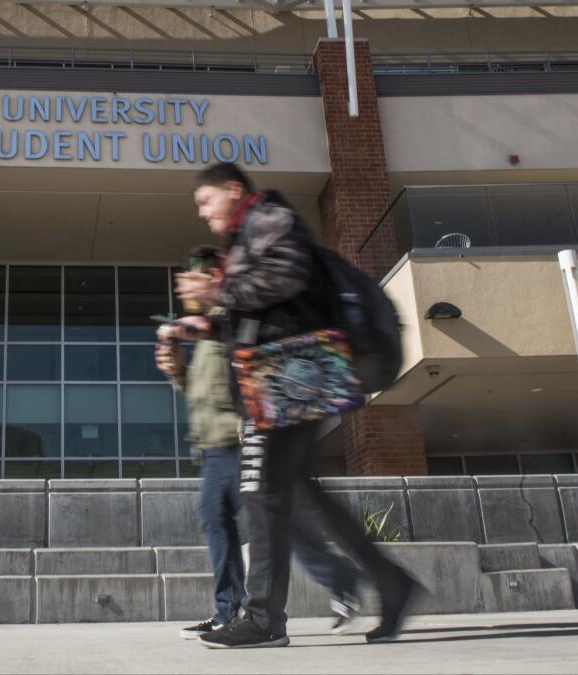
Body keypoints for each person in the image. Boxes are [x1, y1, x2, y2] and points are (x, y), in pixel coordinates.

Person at [172, 162, 417, 648]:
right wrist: (206, 325)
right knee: (298, 491)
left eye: (205, 201)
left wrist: (217, 290)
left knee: (260, 488)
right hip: (285, 374)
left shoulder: (269, 218)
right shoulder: (247, 236)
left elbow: (285, 277)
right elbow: (266, 310)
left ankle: (263, 619)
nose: (203, 213)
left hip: (288, 376)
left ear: (232, 189)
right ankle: (390, 581)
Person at [157, 247, 363, 641]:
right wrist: (176, 372)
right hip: (214, 448)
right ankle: (228, 611)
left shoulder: (227, 323)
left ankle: (339, 579)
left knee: (271, 526)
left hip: (239, 442)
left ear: (211, 277)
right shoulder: (202, 336)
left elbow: (246, 381)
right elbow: (203, 394)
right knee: (222, 524)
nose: (182, 286)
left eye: (188, 277)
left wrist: (246, 424)